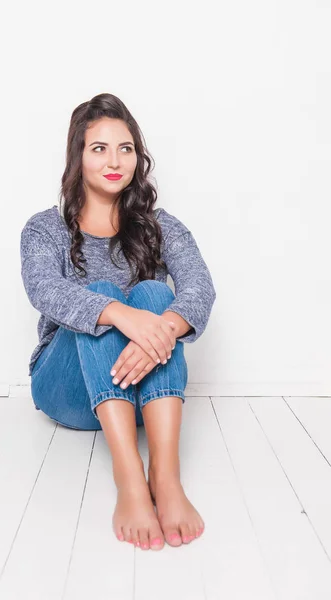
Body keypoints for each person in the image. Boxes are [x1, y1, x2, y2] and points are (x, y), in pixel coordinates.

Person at [20, 93, 216, 552]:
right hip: (67, 390)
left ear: (137, 157)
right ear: (78, 156)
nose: (114, 161)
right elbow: (43, 289)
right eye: (99, 148)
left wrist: (163, 325)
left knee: (156, 295)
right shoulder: (44, 228)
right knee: (106, 296)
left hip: (141, 396)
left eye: (125, 148)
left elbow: (200, 289)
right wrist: (119, 314)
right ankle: (129, 478)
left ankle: (164, 478)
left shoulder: (159, 226)